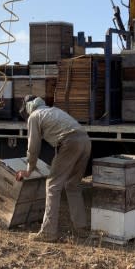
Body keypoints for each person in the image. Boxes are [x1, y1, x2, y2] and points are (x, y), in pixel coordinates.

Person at [15, 95, 91, 242]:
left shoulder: (34, 117)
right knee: (72, 185)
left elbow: (33, 147)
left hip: (70, 143)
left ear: (28, 108)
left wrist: (29, 169)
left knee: (52, 186)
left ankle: (48, 233)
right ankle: (81, 229)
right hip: (85, 141)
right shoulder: (52, 110)